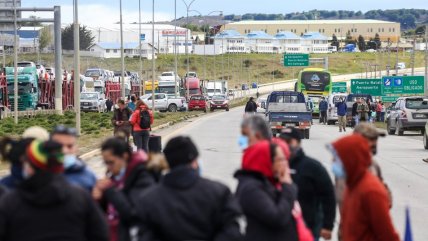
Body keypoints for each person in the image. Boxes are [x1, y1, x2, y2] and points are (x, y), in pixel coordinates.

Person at [136, 136, 243, 241]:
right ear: (195, 161)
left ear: (168, 163)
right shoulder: (219, 192)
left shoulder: (148, 199)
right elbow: (232, 233)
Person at [0, 140, 108, 241]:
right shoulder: (81, 197)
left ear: (29, 167)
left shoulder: (10, 202)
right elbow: (101, 235)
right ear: (60, 167)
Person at [329, 135, 400, 241]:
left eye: (337, 158)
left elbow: (387, 234)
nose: (333, 162)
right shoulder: (351, 185)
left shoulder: (371, 190)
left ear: (350, 159)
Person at [235, 139, 299, 241]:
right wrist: (288, 187)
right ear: (267, 161)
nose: (285, 164)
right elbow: (277, 217)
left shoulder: (268, 183)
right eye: (281, 160)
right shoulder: (251, 189)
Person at [93, 137, 155, 241]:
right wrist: (99, 198)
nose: (108, 167)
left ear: (124, 156)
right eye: (105, 163)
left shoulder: (142, 176)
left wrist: (110, 190)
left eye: (111, 162)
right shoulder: (115, 176)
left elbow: (134, 213)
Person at [280, 127, 336, 240]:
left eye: (289, 142)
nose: (285, 145)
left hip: (310, 226)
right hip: (281, 227)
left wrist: (327, 225)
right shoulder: (275, 165)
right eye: (282, 142)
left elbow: (328, 196)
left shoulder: (313, 167)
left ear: (299, 143)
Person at [51, 125, 97, 192]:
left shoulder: (87, 175)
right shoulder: (39, 175)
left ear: (76, 149)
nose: (64, 151)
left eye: (69, 146)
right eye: (59, 146)